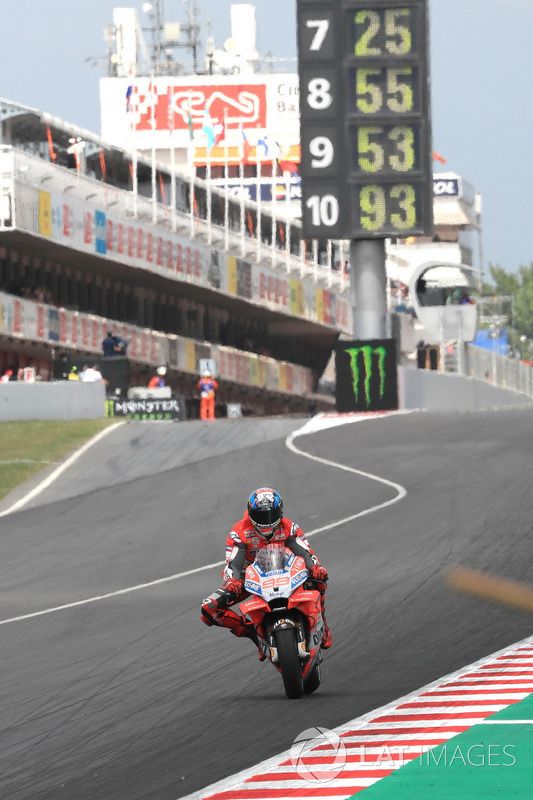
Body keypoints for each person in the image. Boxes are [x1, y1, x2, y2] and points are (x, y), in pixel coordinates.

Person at [201, 488, 332, 660]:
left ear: (281, 511)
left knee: (319, 579)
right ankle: (255, 635)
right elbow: (233, 562)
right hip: (249, 578)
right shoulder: (239, 532)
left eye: (272, 515)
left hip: (287, 571)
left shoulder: (289, 527)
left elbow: (306, 552)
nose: (267, 522)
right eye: (261, 516)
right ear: (250, 513)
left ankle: (324, 627)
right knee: (208, 608)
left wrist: (316, 567)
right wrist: (233, 580)